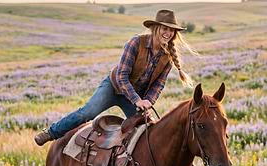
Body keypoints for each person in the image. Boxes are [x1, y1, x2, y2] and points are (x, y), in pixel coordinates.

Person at [34, 9, 197, 146]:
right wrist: (137, 100)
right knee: (87, 113)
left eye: (171, 30)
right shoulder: (136, 43)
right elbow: (121, 76)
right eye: (164, 28)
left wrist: (148, 101)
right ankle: (51, 132)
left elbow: (158, 86)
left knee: (148, 129)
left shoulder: (167, 57)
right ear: (155, 28)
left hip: (135, 98)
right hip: (114, 87)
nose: (168, 33)